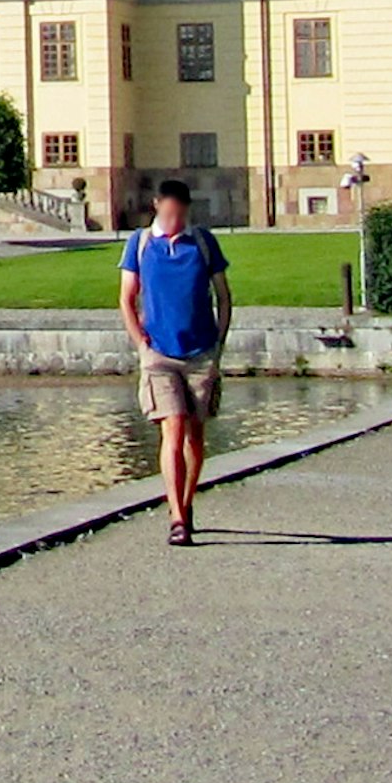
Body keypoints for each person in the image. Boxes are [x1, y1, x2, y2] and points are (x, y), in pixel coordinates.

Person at [116, 179, 234, 543]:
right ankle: (176, 517)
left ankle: (186, 502)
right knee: (174, 426)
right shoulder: (139, 244)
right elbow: (126, 298)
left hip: (200, 352)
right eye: (168, 213)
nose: (173, 220)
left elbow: (224, 297)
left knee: (195, 436)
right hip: (159, 355)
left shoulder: (202, 242)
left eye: (179, 214)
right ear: (156, 206)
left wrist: (218, 342)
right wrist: (141, 344)